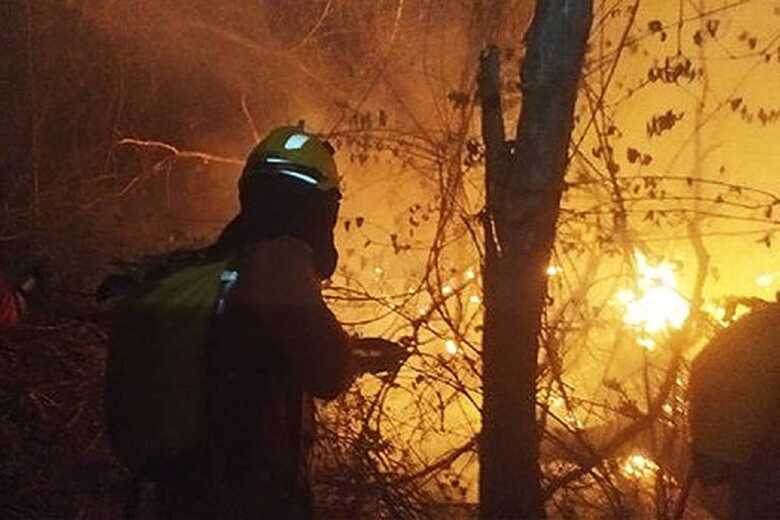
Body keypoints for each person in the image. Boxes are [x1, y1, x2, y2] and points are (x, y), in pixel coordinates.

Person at [196, 126, 406, 519]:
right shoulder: (279, 264)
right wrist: (359, 358)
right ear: (319, 206)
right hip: (246, 494)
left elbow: (269, 344)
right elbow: (326, 372)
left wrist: (359, 351)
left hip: (195, 488)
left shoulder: (224, 260)